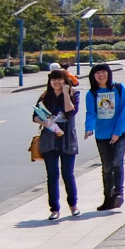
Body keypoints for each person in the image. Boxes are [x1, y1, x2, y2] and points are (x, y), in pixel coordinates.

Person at [32, 67, 81, 220]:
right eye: (53, 79)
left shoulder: (74, 95)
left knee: (68, 174)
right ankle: (54, 209)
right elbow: (34, 116)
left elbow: (70, 112)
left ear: (65, 80)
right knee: (52, 175)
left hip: (67, 140)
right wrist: (44, 122)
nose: (56, 81)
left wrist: (66, 93)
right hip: (49, 140)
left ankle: (73, 205)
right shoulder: (44, 97)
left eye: (59, 78)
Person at [82, 62, 125, 211]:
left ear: (109, 73)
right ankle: (108, 199)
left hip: (120, 133)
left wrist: (117, 132)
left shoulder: (119, 88)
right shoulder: (92, 94)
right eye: (97, 73)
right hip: (102, 134)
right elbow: (91, 113)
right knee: (107, 167)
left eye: (104, 72)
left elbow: (124, 111)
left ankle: (118, 193)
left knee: (117, 162)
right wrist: (89, 128)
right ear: (93, 76)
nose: (101, 75)